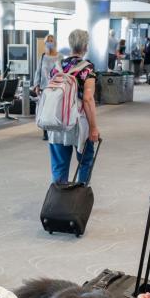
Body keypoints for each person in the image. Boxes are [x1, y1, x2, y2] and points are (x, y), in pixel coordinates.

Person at [46, 29, 100, 185]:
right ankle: (78, 198)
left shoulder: (57, 67)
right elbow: (88, 99)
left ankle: (58, 200)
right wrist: (93, 128)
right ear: (85, 47)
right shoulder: (87, 68)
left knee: (59, 166)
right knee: (85, 161)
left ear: (70, 44)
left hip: (56, 122)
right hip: (78, 123)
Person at [36, 34, 63, 140]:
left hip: (56, 86)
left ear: (54, 42)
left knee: (55, 109)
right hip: (44, 87)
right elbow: (38, 71)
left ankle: (55, 129)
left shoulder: (60, 56)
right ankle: (45, 131)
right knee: (44, 109)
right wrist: (37, 85)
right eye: (48, 41)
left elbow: (63, 71)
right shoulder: (42, 56)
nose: (50, 42)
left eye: (51, 40)